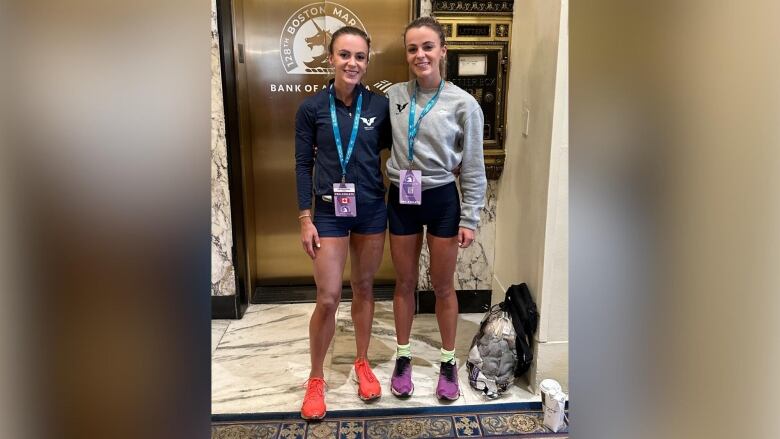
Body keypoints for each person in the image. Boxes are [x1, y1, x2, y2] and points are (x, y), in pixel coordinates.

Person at [385, 16, 487, 401]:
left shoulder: (464, 104)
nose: (420, 54)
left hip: (443, 199)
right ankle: (404, 355)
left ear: (443, 50)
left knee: (443, 286)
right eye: (412, 48)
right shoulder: (394, 96)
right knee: (405, 283)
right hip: (402, 199)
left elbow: (473, 166)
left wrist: (470, 217)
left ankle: (448, 362)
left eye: (428, 46)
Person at [294, 26, 390, 420]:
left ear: (367, 61)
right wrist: (305, 217)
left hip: (371, 208)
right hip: (329, 211)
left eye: (360, 57)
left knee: (364, 288)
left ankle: (362, 361)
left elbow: (398, 150)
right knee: (329, 297)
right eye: (345, 55)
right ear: (331, 58)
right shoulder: (311, 108)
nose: (353, 63)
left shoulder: (380, 106)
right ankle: (316, 378)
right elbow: (302, 164)